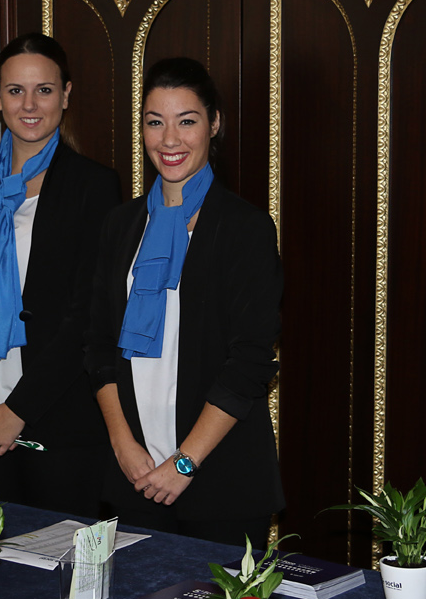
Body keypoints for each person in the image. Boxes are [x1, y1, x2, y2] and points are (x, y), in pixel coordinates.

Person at [86, 57, 284, 547]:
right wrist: (123, 445)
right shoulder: (120, 225)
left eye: (186, 121)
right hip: (134, 476)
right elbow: (99, 347)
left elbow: (250, 362)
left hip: (220, 482)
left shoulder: (245, 228)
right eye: (155, 122)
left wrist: (184, 462)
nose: (169, 139)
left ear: (214, 124)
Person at [0, 33, 120, 517]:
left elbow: (88, 317)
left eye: (44, 90)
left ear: (66, 95)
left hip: (60, 422)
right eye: (15, 90)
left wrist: (16, 412)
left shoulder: (94, 186)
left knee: (59, 556)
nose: (29, 105)